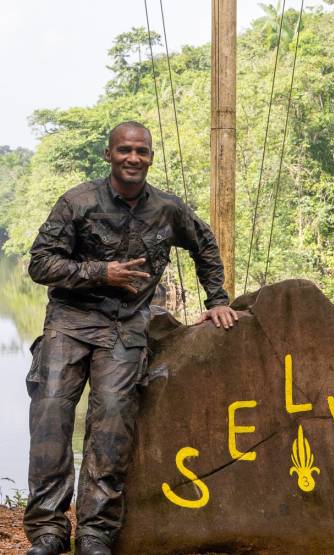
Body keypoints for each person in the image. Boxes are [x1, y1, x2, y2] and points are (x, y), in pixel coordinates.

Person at [23, 121, 238, 555]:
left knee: (112, 424)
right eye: (124, 150)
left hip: (126, 326)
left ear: (151, 157)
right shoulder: (77, 202)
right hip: (70, 320)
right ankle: (48, 531)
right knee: (50, 418)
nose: (133, 158)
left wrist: (217, 298)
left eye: (141, 151)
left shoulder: (166, 208)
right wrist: (100, 272)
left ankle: (95, 533)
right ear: (109, 155)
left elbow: (205, 246)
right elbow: (41, 264)